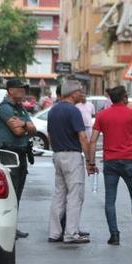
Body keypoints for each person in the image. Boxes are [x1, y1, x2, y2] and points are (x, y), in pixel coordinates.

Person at [88, 86, 132, 246]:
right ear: (124, 98)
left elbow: (93, 140)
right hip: (129, 160)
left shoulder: (102, 115)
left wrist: (91, 163)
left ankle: (114, 235)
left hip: (110, 162)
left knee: (110, 200)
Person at [47, 81, 91, 244]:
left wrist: (56, 150)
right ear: (72, 93)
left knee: (59, 195)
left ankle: (54, 233)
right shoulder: (73, 111)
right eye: (80, 91)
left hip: (57, 154)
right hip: (72, 156)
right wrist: (89, 161)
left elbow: (50, 136)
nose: (82, 94)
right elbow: (83, 137)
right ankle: (71, 233)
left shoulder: (53, 110)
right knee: (74, 196)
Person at [0, 78, 37, 239]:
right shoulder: (5, 108)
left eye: (24, 89)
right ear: (10, 90)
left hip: (21, 153)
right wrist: (26, 127)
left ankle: (12, 227)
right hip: (9, 154)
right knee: (10, 192)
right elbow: (18, 132)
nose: (23, 91)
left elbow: (32, 129)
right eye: (19, 89)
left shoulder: (21, 109)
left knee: (17, 192)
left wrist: (24, 125)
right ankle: (7, 227)